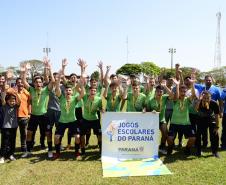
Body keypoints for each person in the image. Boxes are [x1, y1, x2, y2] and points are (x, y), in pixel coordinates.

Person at [20, 62, 52, 158]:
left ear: (42, 83)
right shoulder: (31, 90)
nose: (38, 83)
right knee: (29, 133)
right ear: (34, 83)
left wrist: (49, 68)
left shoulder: (46, 90)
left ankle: (50, 150)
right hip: (34, 115)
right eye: (36, 82)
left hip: (44, 116)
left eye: (40, 82)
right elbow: (23, 80)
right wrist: (26, 70)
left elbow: (53, 81)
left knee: (48, 133)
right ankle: (28, 151)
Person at [53, 74, 85, 159]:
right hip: (62, 121)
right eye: (66, 90)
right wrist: (58, 79)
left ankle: (77, 152)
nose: (68, 91)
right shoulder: (61, 98)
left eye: (70, 90)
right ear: (64, 92)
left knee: (77, 137)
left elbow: (83, 93)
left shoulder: (75, 98)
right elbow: (57, 89)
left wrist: (81, 82)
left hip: (72, 121)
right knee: (56, 137)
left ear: (72, 92)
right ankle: (57, 153)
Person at [167, 79, 196, 155]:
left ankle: (187, 149)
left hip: (186, 124)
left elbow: (193, 95)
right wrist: (177, 85)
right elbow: (174, 95)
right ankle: (170, 148)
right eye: (181, 91)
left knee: (193, 138)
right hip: (174, 123)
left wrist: (192, 84)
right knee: (169, 138)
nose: (183, 93)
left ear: (186, 92)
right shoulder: (175, 99)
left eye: (184, 91)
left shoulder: (187, 100)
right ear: (179, 92)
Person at [195, 74, 223, 148]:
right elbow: (191, 83)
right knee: (203, 131)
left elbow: (220, 101)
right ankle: (204, 144)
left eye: (209, 80)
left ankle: (214, 145)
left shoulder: (216, 89)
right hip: (201, 114)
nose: (208, 81)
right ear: (204, 81)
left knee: (213, 131)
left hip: (211, 113)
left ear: (212, 80)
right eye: (207, 80)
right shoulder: (201, 87)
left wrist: (221, 111)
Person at [195, 91, 220, 157]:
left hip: (211, 120)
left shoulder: (214, 103)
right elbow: (196, 109)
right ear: (202, 97)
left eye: (207, 98)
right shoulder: (199, 102)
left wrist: (217, 127)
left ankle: (215, 152)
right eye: (204, 98)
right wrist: (199, 101)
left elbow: (217, 115)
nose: (206, 99)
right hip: (201, 120)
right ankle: (198, 151)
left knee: (215, 135)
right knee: (198, 135)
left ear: (210, 97)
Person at [0, 90, 20, 163]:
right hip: (5, 127)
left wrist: (15, 93)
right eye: (10, 101)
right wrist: (5, 89)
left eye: (13, 101)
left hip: (14, 127)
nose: (12, 102)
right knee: (5, 142)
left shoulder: (16, 106)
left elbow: (19, 101)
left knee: (12, 141)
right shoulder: (5, 106)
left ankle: (11, 154)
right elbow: (2, 98)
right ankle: (2, 156)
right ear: (7, 101)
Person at [15, 77, 30, 153]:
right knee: (12, 134)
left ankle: (23, 147)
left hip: (24, 116)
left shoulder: (27, 92)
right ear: (16, 83)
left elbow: (29, 104)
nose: (20, 84)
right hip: (14, 116)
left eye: (22, 82)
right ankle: (10, 148)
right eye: (18, 82)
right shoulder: (13, 91)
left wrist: (29, 114)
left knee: (23, 133)